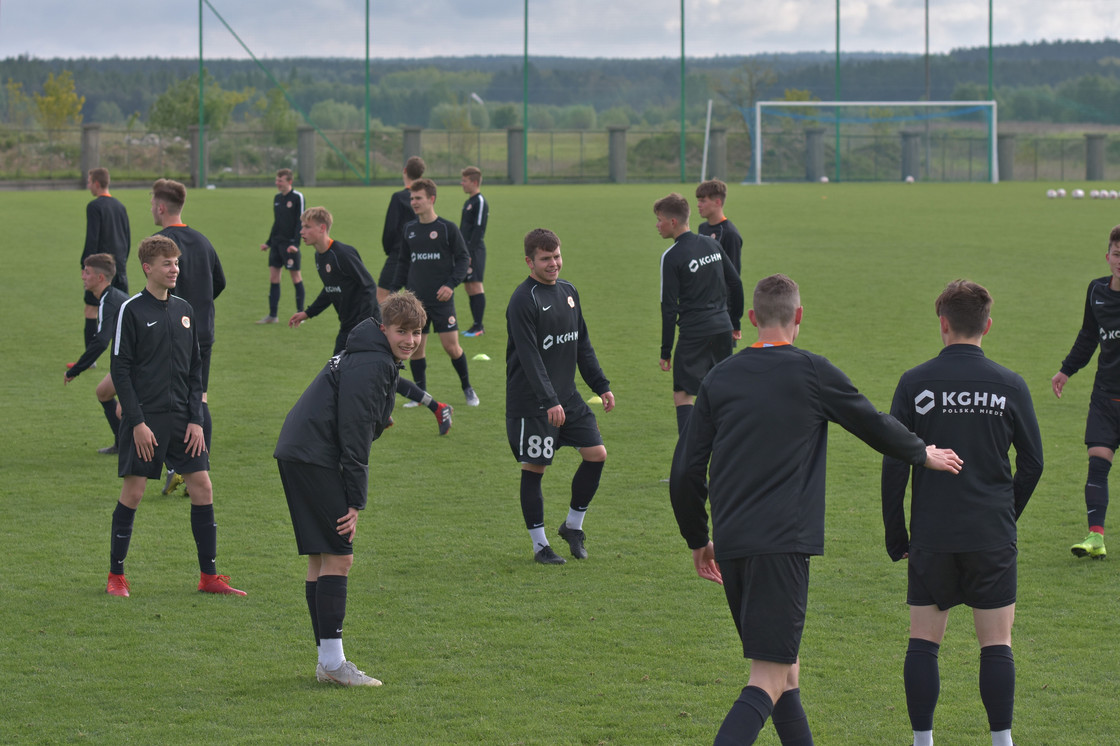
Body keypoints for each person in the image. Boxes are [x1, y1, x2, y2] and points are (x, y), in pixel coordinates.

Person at [669, 274, 963, 746]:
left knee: (786, 674)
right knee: (767, 677)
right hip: (782, 545)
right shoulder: (811, 371)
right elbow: (871, 421)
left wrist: (698, 539)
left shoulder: (719, 377)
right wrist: (921, 451)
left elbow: (684, 471)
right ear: (799, 316)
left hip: (733, 543)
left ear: (751, 319)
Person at [883, 279, 1043, 746]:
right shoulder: (1010, 385)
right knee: (996, 645)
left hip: (932, 534)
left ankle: (922, 741)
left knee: (923, 643)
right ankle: (1001, 741)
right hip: (990, 533)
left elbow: (895, 464)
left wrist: (900, 539)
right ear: (987, 326)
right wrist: (1005, 514)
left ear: (943, 324)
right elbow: (1033, 463)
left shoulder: (915, 383)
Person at [275, 290, 428, 686]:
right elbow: (354, 432)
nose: (409, 340)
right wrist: (355, 501)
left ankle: (327, 661)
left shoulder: (373, 353)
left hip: (300, 449)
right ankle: (333, 665)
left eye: (416, 332)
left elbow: (358, 413)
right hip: (314, 455)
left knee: (320, 558)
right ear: (384, 329)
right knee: (340, 557)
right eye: (401, 331)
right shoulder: (374, 362)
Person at [105, 235, 245, 598]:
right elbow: (120, 370)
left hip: (185, 419)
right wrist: (135, 423)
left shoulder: (185, 309)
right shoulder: (131, 310)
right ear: (147, 268)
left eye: (177, 263)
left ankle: (209, 577)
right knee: (134, 493)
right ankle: (116, 576)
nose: (174, 269)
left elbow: (195, 367)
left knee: (203, 487)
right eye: (167, 264)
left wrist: (197, 418)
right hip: (146, 419)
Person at [289, 206, 453, 435]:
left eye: (306, 226)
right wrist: (308, 313)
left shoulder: (342, 253)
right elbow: (330, 290)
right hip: (350, 327)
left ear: (322, 227)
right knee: (375, 373)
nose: (302, 231)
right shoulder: (320, 257)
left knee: (344, 370)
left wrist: (367, 326)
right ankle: (423, 409)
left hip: (362, 325)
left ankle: (352, 419)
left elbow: (367, 285)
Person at [506, 229, 615, 564]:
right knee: (534, 468)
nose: (553, 264)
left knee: (596, 454)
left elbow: (581, 343)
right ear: (529, 261)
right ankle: (540, 547)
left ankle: (572, 526)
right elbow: (529, 357)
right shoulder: (524, 300)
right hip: (533, 402)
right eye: (545, 259)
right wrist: (549, 399)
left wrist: (601, 384)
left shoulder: (568, 291)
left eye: (556, 256)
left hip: (567, 397)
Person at [150, 178, 226, 499]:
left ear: (161, 206)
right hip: (203, 331)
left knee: (165, 399)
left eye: (152, 203)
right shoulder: (203, 240)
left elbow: (156, 291)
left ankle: (178, 467)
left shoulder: (159, 245)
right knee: (200, 396)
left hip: (173, 332)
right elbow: (219, 283)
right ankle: (199, 470)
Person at [1052, 224, 1120, 560]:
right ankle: (1095, 537)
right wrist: (1066, 370)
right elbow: (1088, 336)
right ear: (1108, 257)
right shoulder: (1096, 291)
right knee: (1098, 462)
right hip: (1106, 396)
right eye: (1118, 254)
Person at [656, 192, 744, 435]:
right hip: (722, 329)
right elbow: (735, 283)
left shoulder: (671, 256)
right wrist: (734, 322)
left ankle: (688, 463)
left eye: (659, 219)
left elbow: (669, 307)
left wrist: (666, 350)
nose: (657, 225)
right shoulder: (712, 243)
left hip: (695, 333)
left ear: (673, 222)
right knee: (720, 392)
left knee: (683, 394)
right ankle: (726, 458)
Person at [394, 178, 478, 407]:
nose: (414, 202)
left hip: (442, 300)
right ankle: (421, 395)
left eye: (418, 198)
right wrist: (395, 290)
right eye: (412, 198)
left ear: (431, 199)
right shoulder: (409, 229)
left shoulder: (446, 228)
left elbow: (463, 259)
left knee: (451, 347)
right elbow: (403, 262)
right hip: (416, 302)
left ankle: (467, 388)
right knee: (416, 348)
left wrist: (451, 285)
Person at [65, 253, 129, 454]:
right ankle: (122, 445)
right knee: (103, 392)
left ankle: (164, 452)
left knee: (126, 411)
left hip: (141, 361)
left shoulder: (108, 301)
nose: (83, 276)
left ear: (100, 278)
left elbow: (101, 340)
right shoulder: (112, 297)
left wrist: (76, 369)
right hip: (133, 359)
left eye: (87, 272)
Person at [78, 167, 130, 355]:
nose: (88, 185)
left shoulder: (94, 206)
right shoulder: (120, 206)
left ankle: (90, 358)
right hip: (119, 268)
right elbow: (127, 238)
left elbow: (92, 239)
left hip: (100, 270)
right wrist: (122, 264)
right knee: (123, 313)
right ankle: (126, 353)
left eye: (89, 182)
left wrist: (86, 267)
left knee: (91, 310)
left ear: (97, 184)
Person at [257, 168, 306, 324]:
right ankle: (273, 315)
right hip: (277, 244)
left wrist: (295, 244)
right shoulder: (277, 198)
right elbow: (277, 223)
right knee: (274, 277)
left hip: (290, 245)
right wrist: (268, 242)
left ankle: (300, 314)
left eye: (280, 181)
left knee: (295, 277)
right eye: (277, 180)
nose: (277, 183)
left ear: (289, 181)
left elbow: (301, 222)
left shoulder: (298, 197)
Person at [377, 156, 426, 304]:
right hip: (419, 252)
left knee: (383, 294)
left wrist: (389, 250)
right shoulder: (424, 199)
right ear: (421, 175)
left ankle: (392, 327)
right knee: (416, 297)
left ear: (404, 171)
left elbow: (390, 228)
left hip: (398, 254)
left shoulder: (398, 198)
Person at [459, 166, 490, 337]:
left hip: (475, 251)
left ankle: (479, 326)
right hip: (466, 251)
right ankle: (475, 324)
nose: (462, 184)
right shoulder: (468, 202)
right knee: (469, 287)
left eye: (464, 181)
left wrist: (469, 253)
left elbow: (479, 229)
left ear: (474, 182)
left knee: (476, 285)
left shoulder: (480, 202)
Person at [695, 178, 743, 275]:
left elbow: (733, 275)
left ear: (717, 202)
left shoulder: (730, 234)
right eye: (698, 201)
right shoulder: (702, 228)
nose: (698, 205)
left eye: (703, 201)